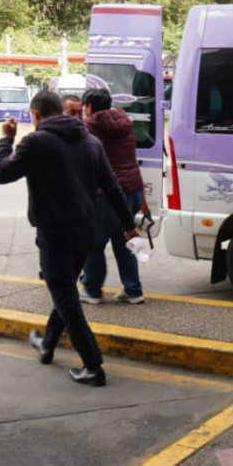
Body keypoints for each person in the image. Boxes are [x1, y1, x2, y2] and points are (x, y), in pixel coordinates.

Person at [0, 91, 139, 387]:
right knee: (65, 291)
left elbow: (1, 173)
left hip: (54, 234)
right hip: (85, 232)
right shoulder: (90, 141)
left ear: (35, 114)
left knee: (66, 298)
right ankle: (46, 345)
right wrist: (128, 225)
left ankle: (93, 366)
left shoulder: (36, 141)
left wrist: (6, 139)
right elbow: (112, 187)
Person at [78, 88, 146, 305]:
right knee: (123, 237)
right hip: (133, 188)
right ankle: (133, 290)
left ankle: (92, 289)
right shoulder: (124, 121)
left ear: (89, 106)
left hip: (106, 193)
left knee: (94, 243)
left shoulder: (89, 127)